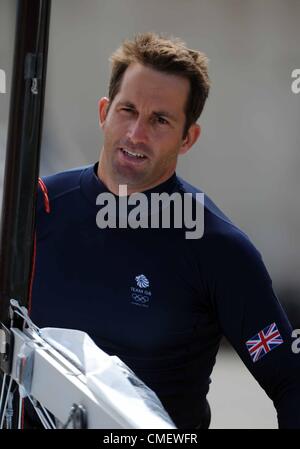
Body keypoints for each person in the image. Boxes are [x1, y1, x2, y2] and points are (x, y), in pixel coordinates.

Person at [29, 32, 300, 429]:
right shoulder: (36, 207)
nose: (136, 134)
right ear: (104, 112)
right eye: (127, 110)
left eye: (160, 120)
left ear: (188, 137)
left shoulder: (217, 248)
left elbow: (290, 379)